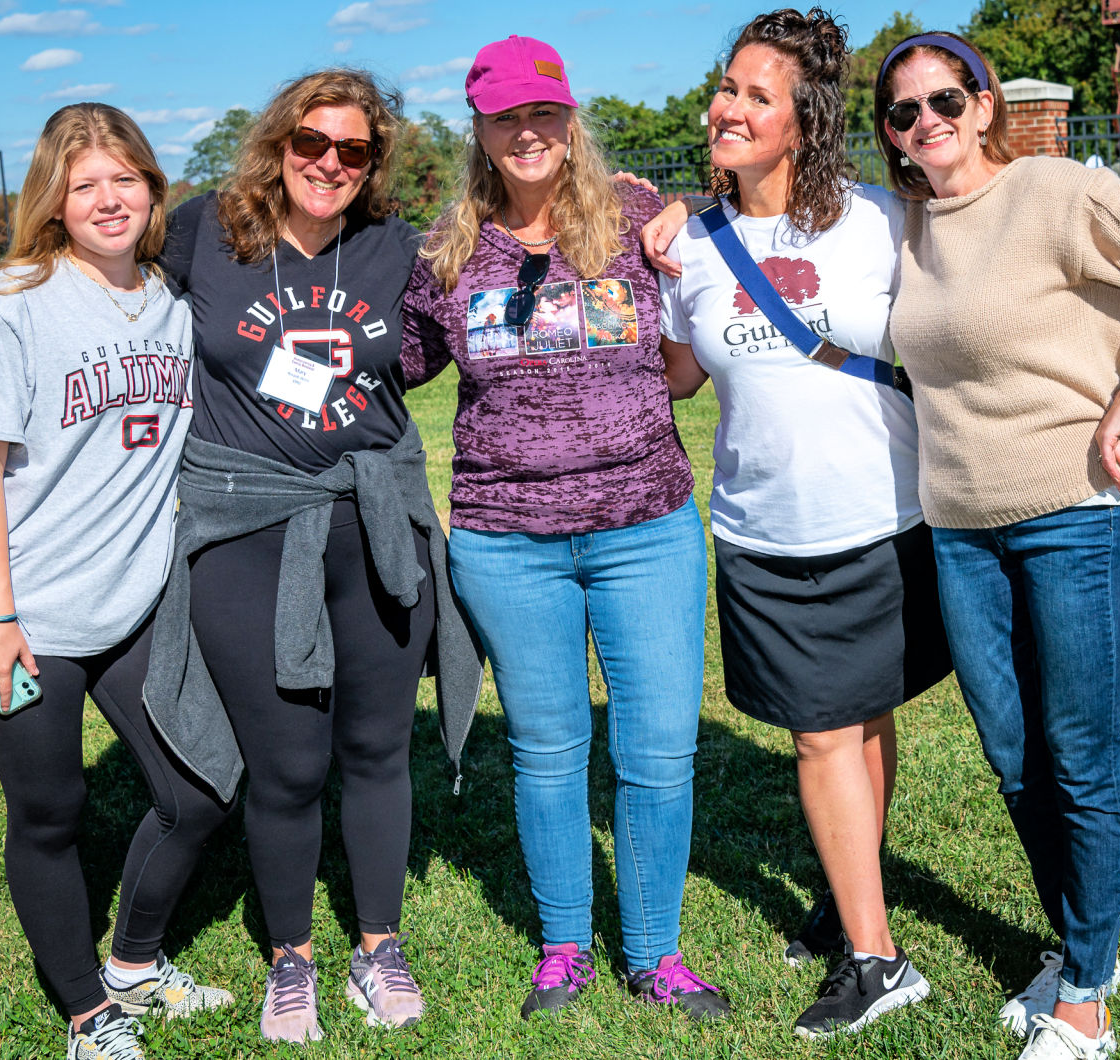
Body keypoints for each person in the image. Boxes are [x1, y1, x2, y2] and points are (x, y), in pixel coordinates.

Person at [876, 31, 1120, 1060]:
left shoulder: (1053, 192)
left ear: (987, 104)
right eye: (905, 112)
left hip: (1075, 511)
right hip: (959, 529)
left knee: (1079, 753)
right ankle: (1083, 936)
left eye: (947, 101)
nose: (929, 124)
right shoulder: (910, 223)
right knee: (1012, 755)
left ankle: (1087, 989)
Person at [145, 67, 483, 1045]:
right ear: (278, 142)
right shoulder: (206, 227)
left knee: (379, 748)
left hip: (373, 524)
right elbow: (98, 269)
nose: (329, 163)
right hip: (249, 532)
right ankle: (291, 958)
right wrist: (7, 311)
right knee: (288, 763)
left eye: (353, 150)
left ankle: (379, 945)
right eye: (311, 143)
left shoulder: (394, 250)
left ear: (374, 162)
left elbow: (514, 253)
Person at [400, 34, 729, 1024]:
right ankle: (562, 945)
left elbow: (712, 295)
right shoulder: (447, 251)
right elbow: (393, 365)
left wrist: (688, 210)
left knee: (660, 745)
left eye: (544, 112)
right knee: (547, 748)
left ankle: (656, 951)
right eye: (507, 117)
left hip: (647, 525)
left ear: (568, 117)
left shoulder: (635, 218)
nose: (529, 132)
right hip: (508, 540)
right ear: (483, 130)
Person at [641, 8, 950, 1039]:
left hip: (880, 514)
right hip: (761, 528)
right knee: (834, 727)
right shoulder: (691, 241)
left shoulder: (879, 219)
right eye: (726, 88)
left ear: (803, 122)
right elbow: (683, 374)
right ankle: (854, 896)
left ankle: (874, 957)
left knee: (850, 723)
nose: (725, 107)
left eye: (753, 96)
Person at [0, 102, 233, 1060]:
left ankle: (136, 965)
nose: (109, 200)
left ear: (152, 187)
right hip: (19, 611)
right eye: (84, 185)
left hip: (133, 599)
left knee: (200, 789)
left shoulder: (171, 301)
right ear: (54, 201)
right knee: (52, 810)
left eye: (125, 179)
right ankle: (85, 1013)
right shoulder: (13, 301)